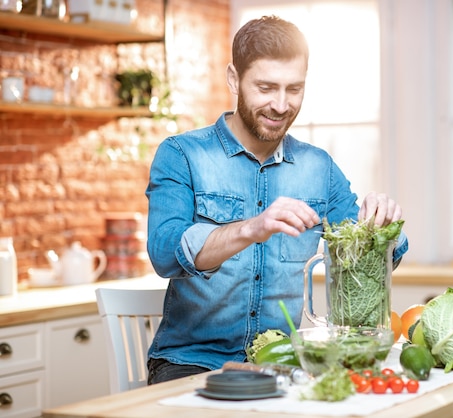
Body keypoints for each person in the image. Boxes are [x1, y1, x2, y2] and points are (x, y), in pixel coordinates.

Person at [145, 15, 409, 385]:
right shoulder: (182, 154)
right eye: (266, 87)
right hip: (191, 363)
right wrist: (251, 228)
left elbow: (377, 257)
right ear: (234, 79)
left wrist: (383, 229)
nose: (281, 105)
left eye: (294, 89)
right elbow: (165, 252)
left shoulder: (319, 168)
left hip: (283, 363)